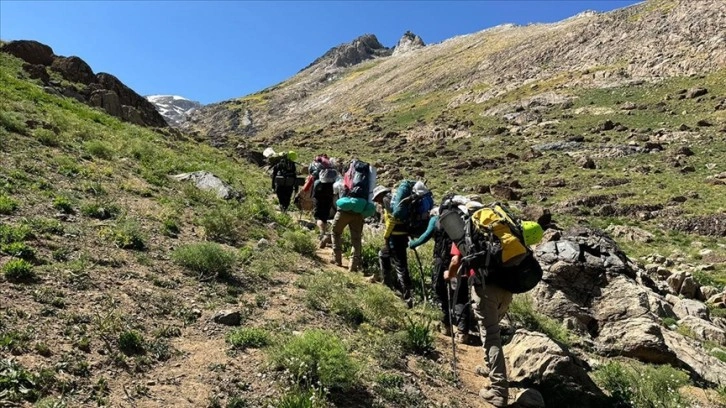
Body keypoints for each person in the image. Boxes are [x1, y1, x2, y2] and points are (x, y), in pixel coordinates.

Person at [447, 242, 512, 408]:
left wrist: (450, 275)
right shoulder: (500, 228)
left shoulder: (466, 229)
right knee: (492, 330)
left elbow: (455, 261)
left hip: (485, 286)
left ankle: (499, 391)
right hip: (507, 286)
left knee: (491, 336)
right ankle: (491, 368)